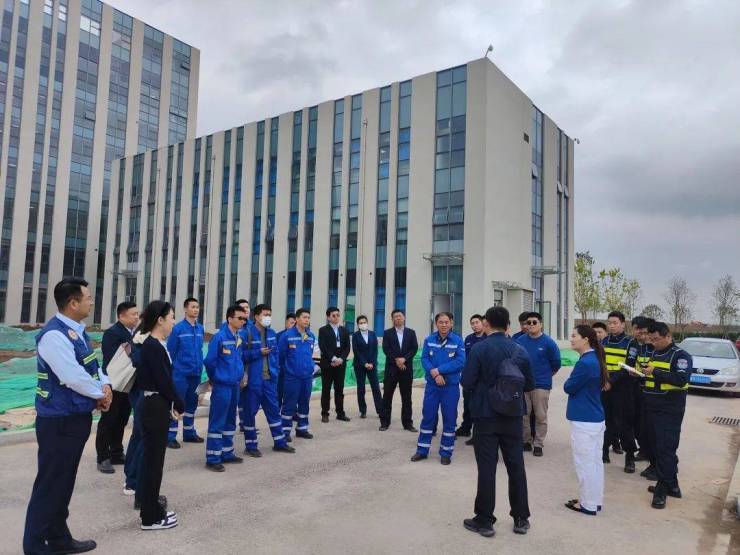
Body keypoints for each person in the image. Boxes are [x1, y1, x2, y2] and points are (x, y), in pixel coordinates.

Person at [23, 278, 112, 554]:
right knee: (51, 484)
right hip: (59, 421)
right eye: (88, 298)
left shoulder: (78, 332)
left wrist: (105, 385)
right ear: (73, 303)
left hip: (74, 417)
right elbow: (71, 376)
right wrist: (99, 395)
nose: (91, 302)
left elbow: (93, 367)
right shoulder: (54, 335)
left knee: (63, 483)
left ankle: (59, 538)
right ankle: (34, 546)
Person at [461, 306, 534, 538]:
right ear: (508, 325)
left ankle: (484, 520)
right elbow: (529, 384)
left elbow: (467, 381)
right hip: (513, 415)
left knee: (487, 468)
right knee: (516, 466)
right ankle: (521, 518)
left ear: (487, 324)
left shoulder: (479, 348)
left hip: (485, 415)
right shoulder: (520, 349)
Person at [135, 301, 183, 530]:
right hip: (154, 406)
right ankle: (150, 518)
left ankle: (152, 507)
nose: (174, 321)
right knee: (153, 463)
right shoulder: (152, 346)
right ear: (160, 320)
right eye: (171, 317)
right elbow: (164, 381)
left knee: (154, 461)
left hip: (157, 404)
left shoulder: (157, 344)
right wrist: (179, 402)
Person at [637, 321, 691, 509]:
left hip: (669, 410)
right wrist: (642, 374)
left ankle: (662, 489)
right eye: (650, 339)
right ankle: (673, 486)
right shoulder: (653, 353)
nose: (653, 342)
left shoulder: (680, 356)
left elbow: (681, 379)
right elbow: (652, 378)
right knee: (653, 446)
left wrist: (655, 372)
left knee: (665, 449)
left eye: (656, 339)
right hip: (651, 407)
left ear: (668, 336)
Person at [563, 325, 608, 516]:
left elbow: (569, 387)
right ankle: (594, 500)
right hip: (594, 418)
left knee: (585, 464)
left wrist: (569, 382)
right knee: (595, 463)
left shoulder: (586, 363)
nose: (571, 339)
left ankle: (588, 504)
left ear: (586, 339)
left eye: (574, 336)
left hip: (584, 420)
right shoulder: (594, 358)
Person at [411, 312, 466, 465]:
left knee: (449, 419)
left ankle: (446, 452)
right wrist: (435, 374)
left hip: (450, 387)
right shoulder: (429, 340)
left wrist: (439, 370)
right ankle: (422, 450)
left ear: (451, 323)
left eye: (446, 322)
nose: (444, 324)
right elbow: (424, 359)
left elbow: (460, 362)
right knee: (428, 417)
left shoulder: (458, 341)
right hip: (432, 386)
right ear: (436, 324)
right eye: (441, 322)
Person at [242, 304, 295, 456]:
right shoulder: (246, 333)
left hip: (269, 380)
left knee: (274, 412)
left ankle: (280, 443)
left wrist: (275, 372)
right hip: (253, 381)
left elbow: (276, 355)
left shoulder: (272, 333)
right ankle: (251, 446)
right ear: (256, 316)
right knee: (249, 414)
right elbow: (240, 355)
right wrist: (257, 352)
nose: (268, 317)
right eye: (265, 314)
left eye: (270, 315)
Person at [96, 301, 138, 474]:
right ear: (121, 316)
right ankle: (103, 457)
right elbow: (114, 357)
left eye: (137, 314)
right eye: (133, 314)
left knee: (122, 419)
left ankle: (116, 452)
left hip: (127, 383)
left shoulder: (133, 333)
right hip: (113, 383)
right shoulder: (112, 333)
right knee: (108, 420)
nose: (136, 317)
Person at [204, 305, 248, 471]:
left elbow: (239, 359)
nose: (243, 321)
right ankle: (213, 458)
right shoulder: (220, 337)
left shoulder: (238, 337)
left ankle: (227, 452)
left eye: (244, 319)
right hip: (222, 386)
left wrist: (241, 376)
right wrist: (215, 378)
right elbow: (209, 361)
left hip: (234, 385)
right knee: (218, 421)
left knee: (230, 420)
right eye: (240, 318)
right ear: (230, 319)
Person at [515, 312, 561, 456]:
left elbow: (556, 364)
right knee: (524, 415)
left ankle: (538, 444)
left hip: (541, 385)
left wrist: (545, 376)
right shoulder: (520, 341)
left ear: (541, 324)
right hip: (523, 384)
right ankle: (526, 441)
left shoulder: (549, 342)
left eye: (534, 322)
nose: (531, 325)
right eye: (528, 322)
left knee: (540, 416)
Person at [602, 310, 639, 472]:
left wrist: (611, 381)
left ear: (623, 324)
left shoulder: (631, 343)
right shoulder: (604, 341)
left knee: (624, 423)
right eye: (609, 323)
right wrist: (604, 380)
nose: (611, 326)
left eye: (615, 323)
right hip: (605, 386)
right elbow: (600, 362)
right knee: (607, 421)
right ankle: (604, 451)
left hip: (623, 388)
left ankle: (630, 457)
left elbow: (628, 367)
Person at [166, 298, 205, 448]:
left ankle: (189, 433)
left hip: (196, 373)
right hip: (180, 374)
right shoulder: (178, 329)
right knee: (177, 403)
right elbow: (171, 351)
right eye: (193, 307)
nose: (196, 310)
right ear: (185, 309)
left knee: (192, 403)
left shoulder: (200, 328)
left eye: (197, 307)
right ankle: (170, 436)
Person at [279, 308, 316, 441]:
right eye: (304, 317)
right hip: (292, 377)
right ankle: (285, 431)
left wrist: (311, 369)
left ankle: (302, 428)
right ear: (297, 319)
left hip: (307, 377)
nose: (307, 320)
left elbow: (311, 355)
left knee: (304, 403)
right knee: (289, 404)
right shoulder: (287, 336)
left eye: (308, 317)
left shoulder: (311, 336)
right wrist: (288, 371)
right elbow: (280, 357)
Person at [380, 309, 419, 432]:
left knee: (407, 398)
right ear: (392, 319)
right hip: (391, 369)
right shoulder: (387, 333)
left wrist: (404, 359)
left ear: (404, 318)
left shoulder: (411, 333)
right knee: (387, 397)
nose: (398, 318)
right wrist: (397, 360)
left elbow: (414, 348)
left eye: (400, 316)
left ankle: (408, 424)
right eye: (395, 316)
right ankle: (385, 422)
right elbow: (386, 349)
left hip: (406, 369)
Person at [318, 307, 352, 422]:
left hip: (340, 365)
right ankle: (325, 413)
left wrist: (341, 359)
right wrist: (333, 358)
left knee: (339, 389)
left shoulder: (344, 330)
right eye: (333, 315)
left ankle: (340, 413)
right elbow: (323, 347)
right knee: (326, 389)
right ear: (328, 317)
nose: (336, 317)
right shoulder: (323, 330)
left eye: (338, 315)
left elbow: (347, 347)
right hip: (328, 364)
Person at [456, 314, 487, 439]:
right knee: (468, 404)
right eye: (472, 323)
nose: (475, 325)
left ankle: (478, 433)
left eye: (477, 322)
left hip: (482, 378)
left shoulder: (488, 338)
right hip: (469, 377)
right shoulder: (469, 339)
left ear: (483, 323)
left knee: (480, 406)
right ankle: (466, 428)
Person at [630, 316, 654, 462]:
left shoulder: (656, 348)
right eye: (638, 330)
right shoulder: (635, 345)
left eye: (644, 332)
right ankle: (643, 449)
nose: (641, 335)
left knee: (649, 423)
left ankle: (650, 452)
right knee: (638, 422)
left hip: (652, 391)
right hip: (636, 387)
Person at [351, 315, 383, 419]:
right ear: (358, 325)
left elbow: (375, 350)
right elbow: (356, 351)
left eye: (364, 322)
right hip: (359, 365)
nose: (363, 324)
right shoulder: (355, 336)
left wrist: (372, 363)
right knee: (361, 388)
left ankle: (380, 410)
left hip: (372, 365)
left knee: (376, 387)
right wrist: (364, 363)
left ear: (367, 323)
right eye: (361, 323)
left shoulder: (373, 334)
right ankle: (363, 411)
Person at [235, 299, 257, 433]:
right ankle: (243, 423)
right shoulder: (235, 329)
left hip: (252, 367)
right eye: (242, 308)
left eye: (247, 307)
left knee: (249, 397)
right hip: (239, 367)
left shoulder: (253, 327)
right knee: (240, 397)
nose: (246, 310)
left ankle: (247, 423)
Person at [276, 313, 297, 405]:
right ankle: (277, 410)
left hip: (293, 370)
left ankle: (292, 410)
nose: (293, 326)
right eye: (292, 323)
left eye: (295, 324)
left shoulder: (298, 336)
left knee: (292, 393)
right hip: (281, 369)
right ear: (286, 323)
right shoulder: (279, 336)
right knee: (279, 392)